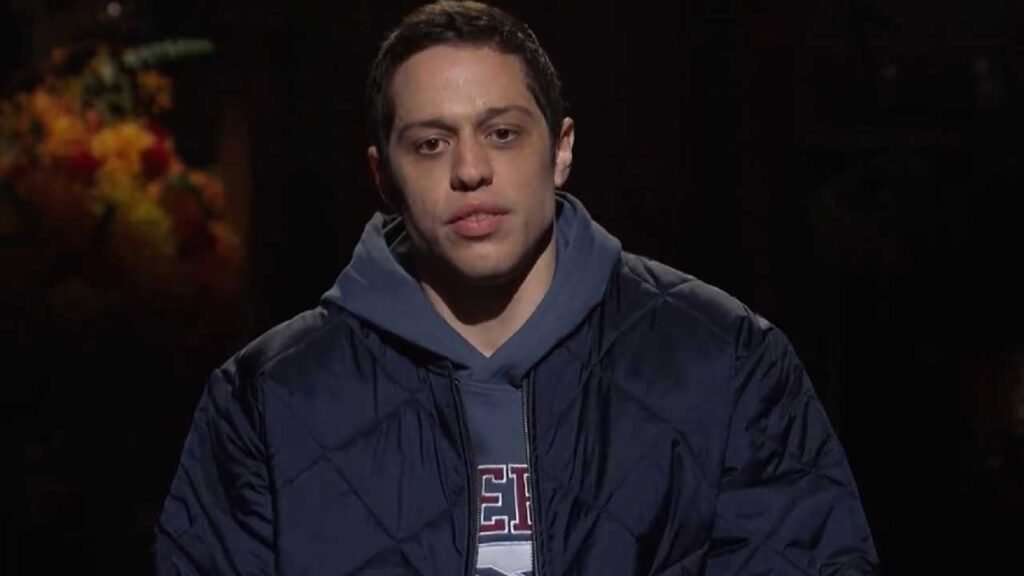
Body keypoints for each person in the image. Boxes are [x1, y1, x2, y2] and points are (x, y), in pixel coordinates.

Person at [153, 1, 879, 574]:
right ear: (384, 177)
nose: (470, 170)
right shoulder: (266, 400)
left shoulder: (726, 361)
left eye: (501, 133)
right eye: (431, 143)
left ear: (561, 150)